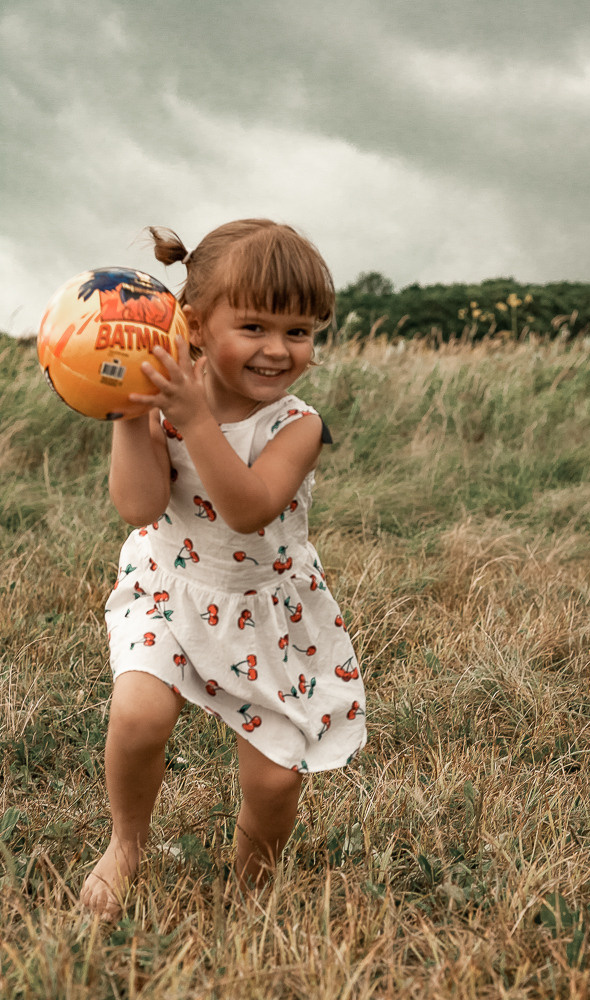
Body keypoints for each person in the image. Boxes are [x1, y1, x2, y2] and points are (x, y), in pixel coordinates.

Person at [80, 219, 367, 920]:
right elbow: (139, 505)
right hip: (166, 589)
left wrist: (194, 423)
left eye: (299, 331)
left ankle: (249, 889)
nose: (278, 349)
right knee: (140, 717)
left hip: (262, 609)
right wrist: (129, 416)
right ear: (195, 324)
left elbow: (248, 510)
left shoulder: (297, 425)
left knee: (272, 784)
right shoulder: (162, 404)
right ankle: (127, 843)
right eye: (255, 327)